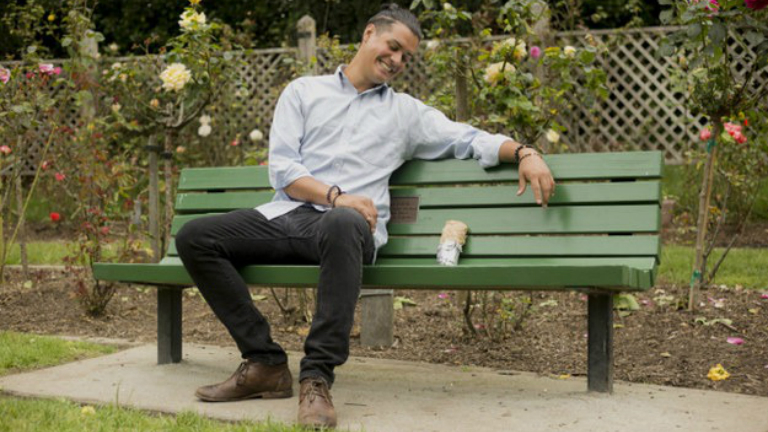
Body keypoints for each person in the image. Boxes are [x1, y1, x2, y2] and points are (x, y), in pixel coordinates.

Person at [175, 3, 554, 429]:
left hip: (350, 233)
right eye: (393, 46)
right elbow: (283, 171)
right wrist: (336, 196)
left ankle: (317, 378)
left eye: (406, 56)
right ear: (369, 34)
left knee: (342, 222)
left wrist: (525, 152)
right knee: (195, 236)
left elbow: (467, 139)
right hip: (290, 217)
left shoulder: (405, 113)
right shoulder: (304, 92)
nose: (397, 60)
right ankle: (264, 362)